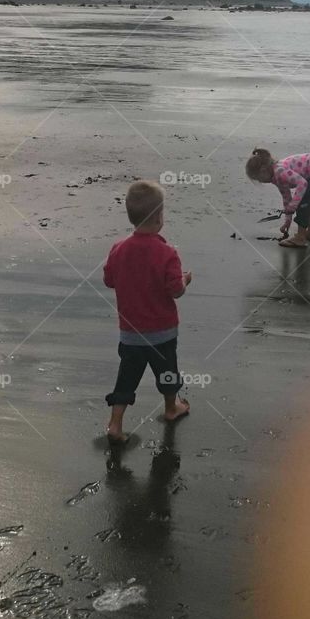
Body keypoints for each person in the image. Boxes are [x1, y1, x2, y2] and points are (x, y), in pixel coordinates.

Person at [103, 179, 191, 439]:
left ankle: (115, 424)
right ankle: (171, 407)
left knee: (127, 378)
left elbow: (109, 280)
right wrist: (185, 279)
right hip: (162, 333)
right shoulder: (167, 253)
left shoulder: (118, 249)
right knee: (167, 373)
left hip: (130, 332)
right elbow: (175, 290)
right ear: (159, 218)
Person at [246, 148, 310, 248]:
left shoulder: (280, 172)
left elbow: (302, 183)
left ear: (263, 170)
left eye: (258, 178)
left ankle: (300, 238)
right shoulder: (276, 178)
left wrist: (294, 204)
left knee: (302, 203)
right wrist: (287, 222)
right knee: (306, 201)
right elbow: (286, 198)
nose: (260, 182)